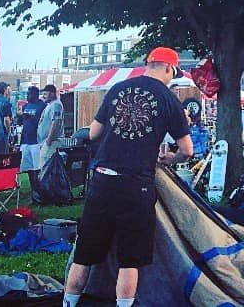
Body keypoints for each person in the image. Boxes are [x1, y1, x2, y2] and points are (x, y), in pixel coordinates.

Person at [63, 47, 192, 307]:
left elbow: (93, 133)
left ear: (149, 64)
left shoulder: (117, 89)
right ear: (169, 68)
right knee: (129, 260)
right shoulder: (169, 99)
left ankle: (68, 303)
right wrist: (170, 159)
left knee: (84, 255)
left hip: (102, 180)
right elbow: (187, 150)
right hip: (136, 185)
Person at [19, 86, 47, 192]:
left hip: (36, 141)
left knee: (38, 167)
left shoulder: (43, 106)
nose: (27, 96)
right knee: (28, 167)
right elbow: (23, 123)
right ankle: (33, 189)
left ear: (35, 94)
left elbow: (44, 122)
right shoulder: (26, 106)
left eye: (29, 94)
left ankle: (41, 189)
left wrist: (32, 118)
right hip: (26, 141)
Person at [37, 84, 65, 167]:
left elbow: (55, 122)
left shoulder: (56, 105)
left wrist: (49, 140)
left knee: (44, 168)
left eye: (45, 94)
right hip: (46, 142)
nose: (43, 96)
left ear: (52, 94)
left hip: (51, 142)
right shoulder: (51, 105)